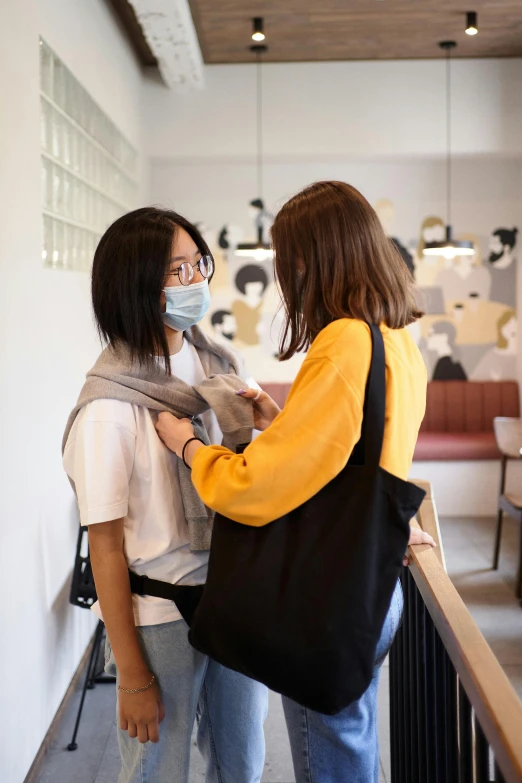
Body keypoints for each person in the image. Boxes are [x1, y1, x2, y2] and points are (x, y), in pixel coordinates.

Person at [155, 181, 435, 783]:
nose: (283, 279)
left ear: (307, 261)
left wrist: (190, 447)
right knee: (351, 743)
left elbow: (255, 489)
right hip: (371, 577)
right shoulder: (393, 338)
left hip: (327, 596)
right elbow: (355, 460)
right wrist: (281, 422)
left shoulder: (341, 345)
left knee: (327, 760)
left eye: (285, 262)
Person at [62, 207, 267, 783]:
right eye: (174, 271)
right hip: (160, 616)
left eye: (196, 263)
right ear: (135, 286)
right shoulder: (110, 403)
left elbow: (252, 475)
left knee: (242, 763)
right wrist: (131, 675)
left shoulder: (219, 366)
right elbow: (103, 546)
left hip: (236, 595)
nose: (193, 281)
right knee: (157, 770)